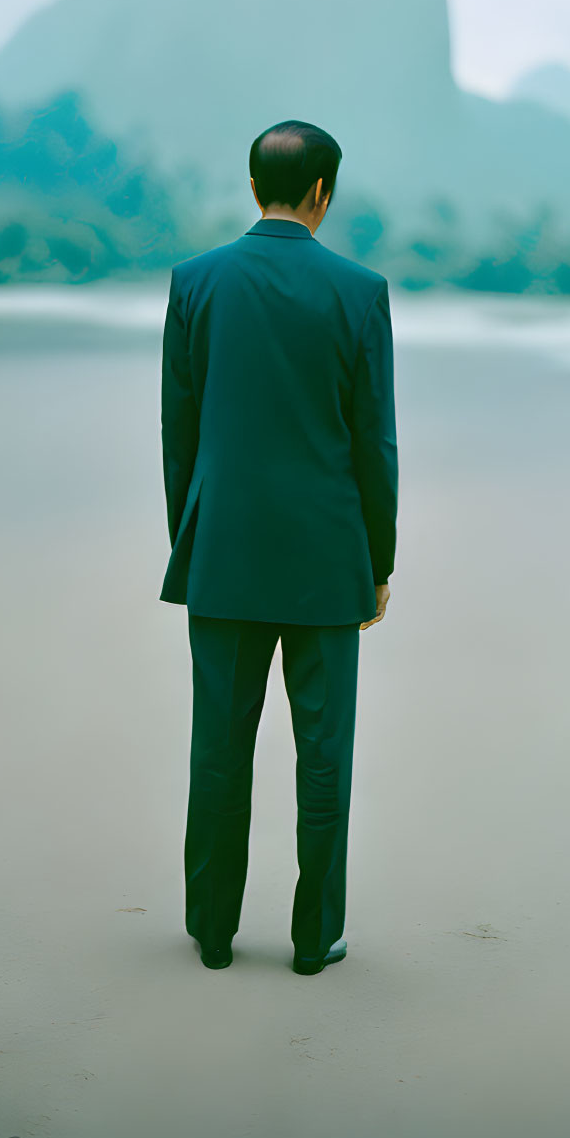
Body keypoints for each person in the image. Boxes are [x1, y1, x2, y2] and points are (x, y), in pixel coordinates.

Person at [159, 119, 399, 976]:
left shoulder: (196, 283)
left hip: (222, 551)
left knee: (218, 750)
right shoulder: (359, 292)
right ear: (323, 194)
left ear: (252, 182)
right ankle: (313, 939)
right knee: (322, 758)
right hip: (328, 562)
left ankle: (213, 933)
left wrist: (193, 538)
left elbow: (177, 436)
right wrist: (380, 562)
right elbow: (373, 446)